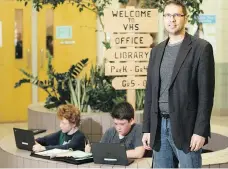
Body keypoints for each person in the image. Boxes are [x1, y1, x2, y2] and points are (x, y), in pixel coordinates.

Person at [142, 0, 215, 168]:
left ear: (185, 18)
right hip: (159, 127)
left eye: (176, 15)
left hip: (187, 126)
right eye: (167, 15)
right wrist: (147, 128)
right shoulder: (156, 51)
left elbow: (206, 95)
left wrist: (200, 131)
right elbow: (150, 93)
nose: (172, 19)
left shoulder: (201, 48)